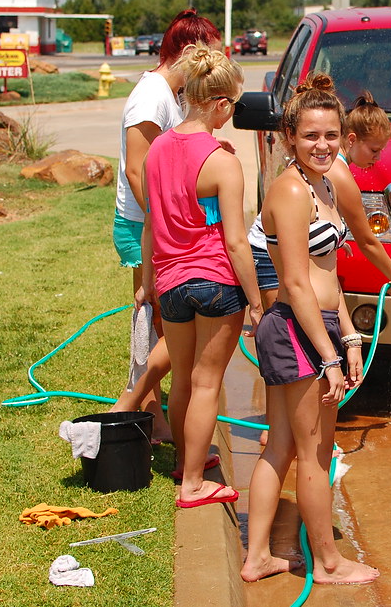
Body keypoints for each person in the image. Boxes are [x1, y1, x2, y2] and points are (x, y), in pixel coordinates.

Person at [240, 74, 379, 585]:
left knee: (280, 445)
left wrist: (349, 336)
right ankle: (327, 561)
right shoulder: (291, 191)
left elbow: (329, 275)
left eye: (331, 135)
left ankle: (257, 556)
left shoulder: (323, 184)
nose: (322, 145)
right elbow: (296, 284)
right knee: (315, 453)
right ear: (288, 137)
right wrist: (327, 356)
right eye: (310, 136)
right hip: (297, 328)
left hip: (314, 325)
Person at [139, 44, 263, 508]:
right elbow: (235, 243)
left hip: (171, 282)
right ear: (217, 104)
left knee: (185, 379)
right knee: (209, 382)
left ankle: (183, 461)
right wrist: (254, 299)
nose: (232, 111)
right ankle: (192, 483)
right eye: (232, 103)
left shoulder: (156, 152)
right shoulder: (223, 162)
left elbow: (152, 222)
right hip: (214, 282)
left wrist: (149, 281)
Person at [109, 9, 221, 446]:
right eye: (208, 53)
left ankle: (151, 415)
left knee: (160, 321)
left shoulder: (171, 94)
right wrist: (168, 228)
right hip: (144, 224)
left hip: (161, 225)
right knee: (156, 321)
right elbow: (139, 172)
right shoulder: (150, 95)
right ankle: (137, 408)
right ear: (188, 51)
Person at [248, 90, 391, 312]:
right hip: (267, 252)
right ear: (351, 139)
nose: (377, 158)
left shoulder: (327, 167)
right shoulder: (338, 173)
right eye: (374, 150)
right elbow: (366, 240)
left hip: (284, 249)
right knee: (285, 319)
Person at [343, 45, 391, 110]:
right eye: (375, 65)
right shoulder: (347, 89)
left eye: (387, 66)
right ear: (365, 67)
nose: (381, 70)